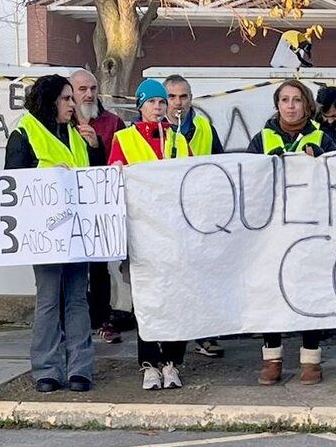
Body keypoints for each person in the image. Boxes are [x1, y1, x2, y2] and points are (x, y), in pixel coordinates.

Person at [6, 74, 104, 393]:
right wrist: (47, 176)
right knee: (48, 300)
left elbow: (95, 183)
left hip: (76, 232)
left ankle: (80, 369)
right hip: (45, 234)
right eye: (66, 99)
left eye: (71, 99)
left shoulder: (77, 135)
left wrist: (95, 148)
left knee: (77, 300)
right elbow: (14, 184)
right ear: (50, 101)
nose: (72, 104)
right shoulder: (25, 133)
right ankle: (46, 369)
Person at [247, 80, 332, 385]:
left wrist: (320, 161)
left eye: (297, 100)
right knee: (273, 293)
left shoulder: (323, 138)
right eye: (285, 100)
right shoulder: (261, 139)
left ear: (307, 105)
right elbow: (249, 181)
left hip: (310, 229)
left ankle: (311, 359)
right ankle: (272, 358)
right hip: (271, 230)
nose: (291, 105)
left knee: (309, 293)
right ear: (277, 105)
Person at [109, 78, 191, 390]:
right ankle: (149, 363)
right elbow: (113, 179)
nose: (158, 107)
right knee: (146, 299)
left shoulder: (178, 140)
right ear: (140, 105)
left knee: (175, 299)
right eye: (152, 102)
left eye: (161, 102)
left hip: (173, 234)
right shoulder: (124, 138)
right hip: (142, 233)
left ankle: (172, 361)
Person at [163, 74, 228, 359]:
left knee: (203, 277)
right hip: (165, 217)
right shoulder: (153, 130)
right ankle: (171, 336)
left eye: (184, 96)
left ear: (191, 99)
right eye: (172, 97)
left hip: (200, 215)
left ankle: (205, 334)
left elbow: (220, 166)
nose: (179, 103)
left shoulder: (204, 128)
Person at [70, 69, 126, 346]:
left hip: (100, 206)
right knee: (69, 269)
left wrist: (96, 145)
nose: (89, 94)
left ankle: (103, 319)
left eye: (92, 88)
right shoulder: (60, 121)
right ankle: (73, 321)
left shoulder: (112, 122)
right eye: (82, 89)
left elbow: (120, 162)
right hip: (66, 207)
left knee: (99, 267)